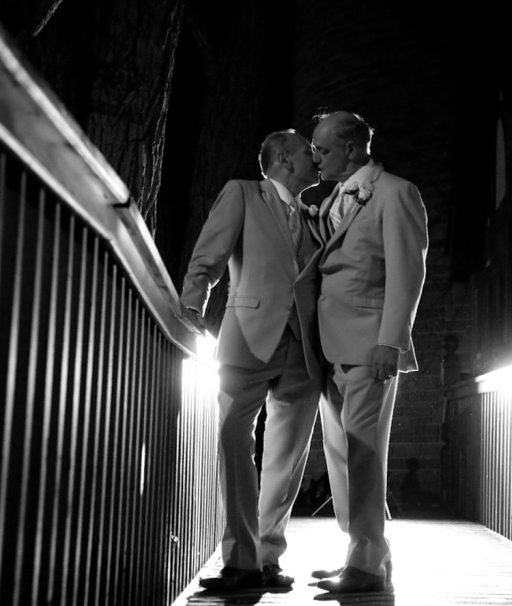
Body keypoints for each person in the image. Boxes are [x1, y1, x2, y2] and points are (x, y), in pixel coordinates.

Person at [179, 129, 324, 590]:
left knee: (287, 457)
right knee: (232, 439)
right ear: (284, 158)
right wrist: (191, 309)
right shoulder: (242, 193)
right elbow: (208, 257)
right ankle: (240, 558)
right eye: (308, 152)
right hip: (247, 337)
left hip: (303, 348)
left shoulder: (313, 215)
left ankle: (267, 557)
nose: (317, 158)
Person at [309, 110, 429, 593]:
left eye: (323, 150)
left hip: (369, 343)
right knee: (340, 453)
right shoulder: (334, 198)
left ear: (352, 148)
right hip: (329, 345)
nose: (316, 158)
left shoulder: (396, 192)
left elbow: (408, 271)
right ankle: (364, 551)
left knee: (363, 452)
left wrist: (391, 341)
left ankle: (366, 563)